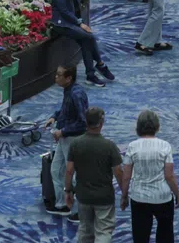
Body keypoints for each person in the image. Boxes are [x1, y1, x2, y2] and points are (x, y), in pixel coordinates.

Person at [121, 110, 179, 243]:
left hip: (139, 197)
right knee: (165, 235)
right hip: (163, 197)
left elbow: (126, 177)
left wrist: (124, 196)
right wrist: (177, 194)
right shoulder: (165, 146)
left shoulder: (132, 147)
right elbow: (169, 176)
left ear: (138, 127)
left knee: (140, 237)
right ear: (157, 126)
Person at [65, 107, 124, 243]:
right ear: (101, 123)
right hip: (104, 197)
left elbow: (69, 170)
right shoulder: (109, 146)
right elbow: (119, 173)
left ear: (86, 122)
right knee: (103, 231)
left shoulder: (75, 144)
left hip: (83, 196)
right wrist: (124, 194)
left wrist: (68, 191)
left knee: (85, 230)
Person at [45, 64, 89, 215]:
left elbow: (83, 122)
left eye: (59, 75)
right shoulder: (69, 91)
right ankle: (62, 204)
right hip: (65, 138)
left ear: (68, 78)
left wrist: (62, 131)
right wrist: (54, 117)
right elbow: (65, 110)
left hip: (73, 139)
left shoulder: (76, 94)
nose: (55, 77)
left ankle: (81, 206)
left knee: (73, 173)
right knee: (57, 170)